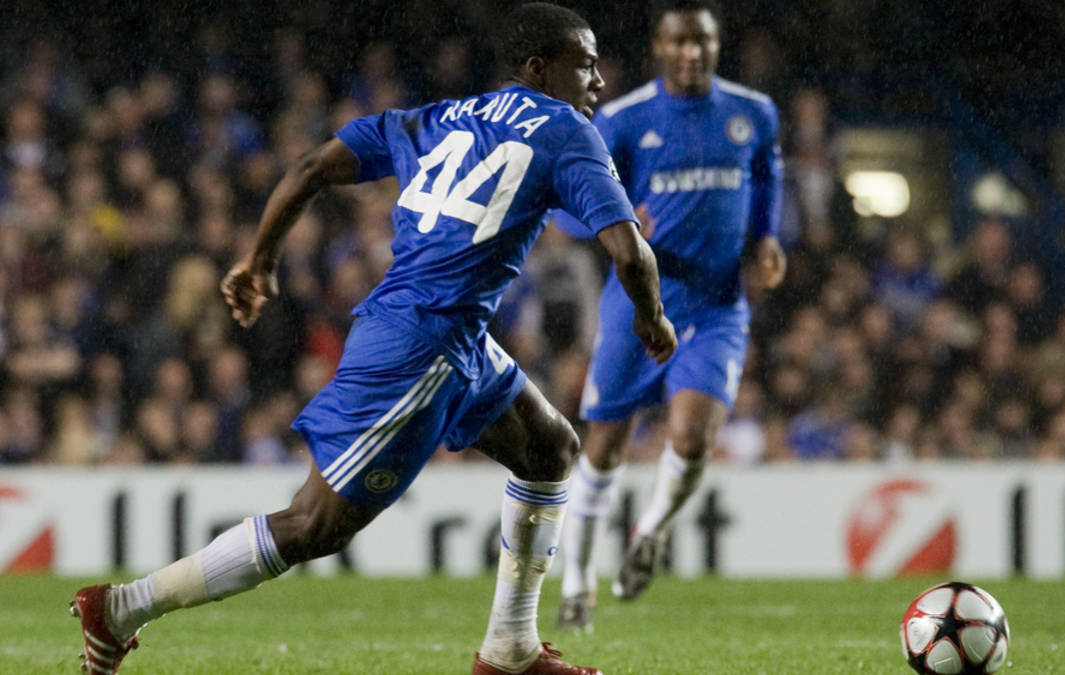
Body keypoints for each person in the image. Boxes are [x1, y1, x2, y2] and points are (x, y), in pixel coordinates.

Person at [69, 4, 676, 674]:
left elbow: (310, 167)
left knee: (549, 447)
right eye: (585, 64)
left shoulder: (436, 117)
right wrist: (652, 318)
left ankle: (511, 648)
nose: (598, 79)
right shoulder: (564, 128)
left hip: (451, 335)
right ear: (539, 68)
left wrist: (260, 260)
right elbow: (629, 251)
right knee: (314, 524)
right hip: (421, 345)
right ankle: (121, 607)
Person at [553, 0, 785, 632]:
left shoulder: (753, 113)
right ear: (659, 47)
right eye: (680, 42)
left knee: (693, 438)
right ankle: (577, 584)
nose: (692, 53)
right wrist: (614, 220)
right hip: (637, 307)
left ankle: (650, 532)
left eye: (702, 41)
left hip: (716, 307)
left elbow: (767, 177)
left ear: (716, 44)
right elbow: (564, 207)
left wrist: (766, 238)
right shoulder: (625, 120)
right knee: (604, 446)